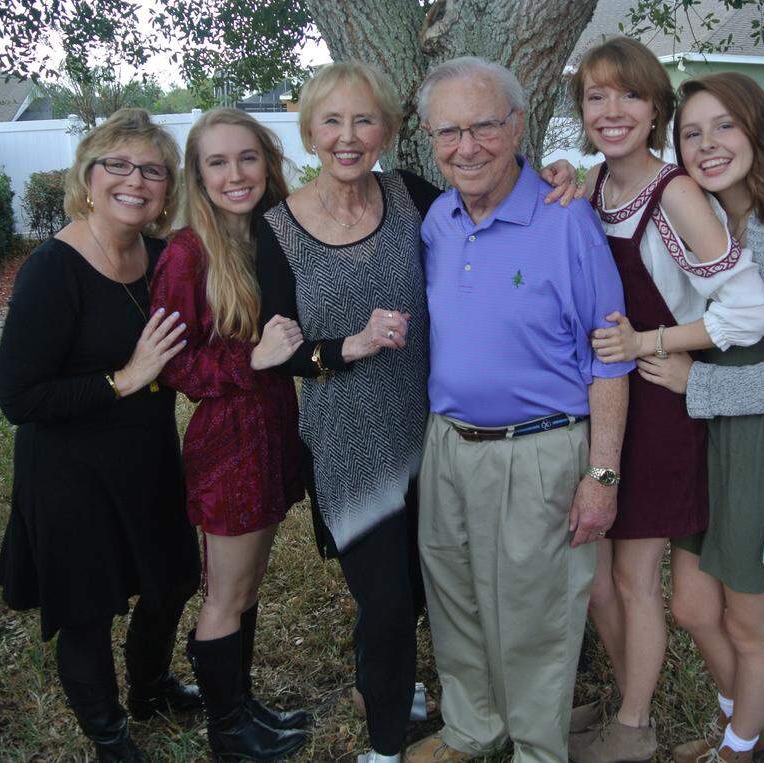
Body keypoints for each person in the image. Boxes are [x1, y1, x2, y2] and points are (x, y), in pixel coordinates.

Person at [256, 61, 580, 763]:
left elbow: (488, 193)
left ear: (389, 132)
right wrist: (349, 346)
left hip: (430, 432)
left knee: (427, 589)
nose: (348, 136)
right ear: (310, 132)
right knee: (388, 603)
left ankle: (399, 686)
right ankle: (383, 750)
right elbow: (277, 351)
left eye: (363, 120)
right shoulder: (277, 228)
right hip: (348, 444)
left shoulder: (411, 197)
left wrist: (551, 172)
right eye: (331, 121)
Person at [404, 56, 633, 763]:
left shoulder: (567, 222)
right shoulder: (438, 218)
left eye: (483, 127)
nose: (466, 147)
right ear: (428, 138)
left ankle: (537, 748)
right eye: (449, 132)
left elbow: (611, 358)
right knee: (455, 599)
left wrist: (603, 474)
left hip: (539, 449)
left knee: (537, 616)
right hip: (447, 444)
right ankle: (474, 728)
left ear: (518, 126)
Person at [564, 38, 764, 763]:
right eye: (597, 96)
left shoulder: (675, 191)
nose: (613, 110)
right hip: (603, 405)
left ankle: (631, 723)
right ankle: (633, 707)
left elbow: (749, 311)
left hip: (657, 407)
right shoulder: (594, 187)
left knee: (633, 578)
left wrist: (653, 342)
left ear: (656, 108)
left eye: (629, 95)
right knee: (595, 583)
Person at [640, 72, 764, 763]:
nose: (706, 144)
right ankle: (739, 728)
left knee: (751, 625)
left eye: (724, 125)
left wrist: (698, 384)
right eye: (691, 133)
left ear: (758, 130)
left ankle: (738, 749)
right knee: (693, 608)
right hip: (706, 443)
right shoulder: (704, 227)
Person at [0, 108, 201, 761]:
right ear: (89, 176)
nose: (134, 180)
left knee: (171, 578)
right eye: (118, 164)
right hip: (69, 469)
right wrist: (125, 377)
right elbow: (18, 397)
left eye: (152, 169)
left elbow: (193, 341)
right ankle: (108, 731)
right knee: (88, 604)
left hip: (148, 456)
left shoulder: (163, 257)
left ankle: (150, 687)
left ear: (167, 187)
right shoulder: (51, 269)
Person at [149, 108, 309, 761]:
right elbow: (175, 364)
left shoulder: (274, 233)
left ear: (266, 161)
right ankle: (228, 734)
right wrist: (254, 359)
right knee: (226, 594)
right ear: (199, 174)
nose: (235, 174)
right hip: (229, 439)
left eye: (246, 157)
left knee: (246, 589)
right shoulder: (189, 253)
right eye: (217, 162)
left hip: (273, 428)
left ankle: (243, 705)